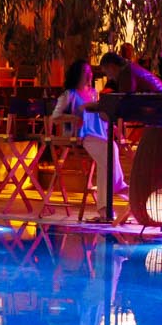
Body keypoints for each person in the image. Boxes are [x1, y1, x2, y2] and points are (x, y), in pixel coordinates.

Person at [52, 60, 122, 221]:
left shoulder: (93, 93)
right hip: (82, 135)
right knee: (107, 155)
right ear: (78, 74)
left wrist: (112, 126)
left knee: (111, 150)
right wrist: (74, 118)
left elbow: (99, 115)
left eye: (90, 71)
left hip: (98, 133)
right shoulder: (69, 95)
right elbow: (55, 117)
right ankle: (114, 194)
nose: (90, 74)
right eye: (86, 71)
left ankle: (107, 204)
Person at [98, 50, 162, 95]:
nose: (108, 77)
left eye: (106, 72)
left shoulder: (126, 71)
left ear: (111, 66)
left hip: (160, 100)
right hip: (160, 97)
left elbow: (125, 99)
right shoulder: (128, 67)